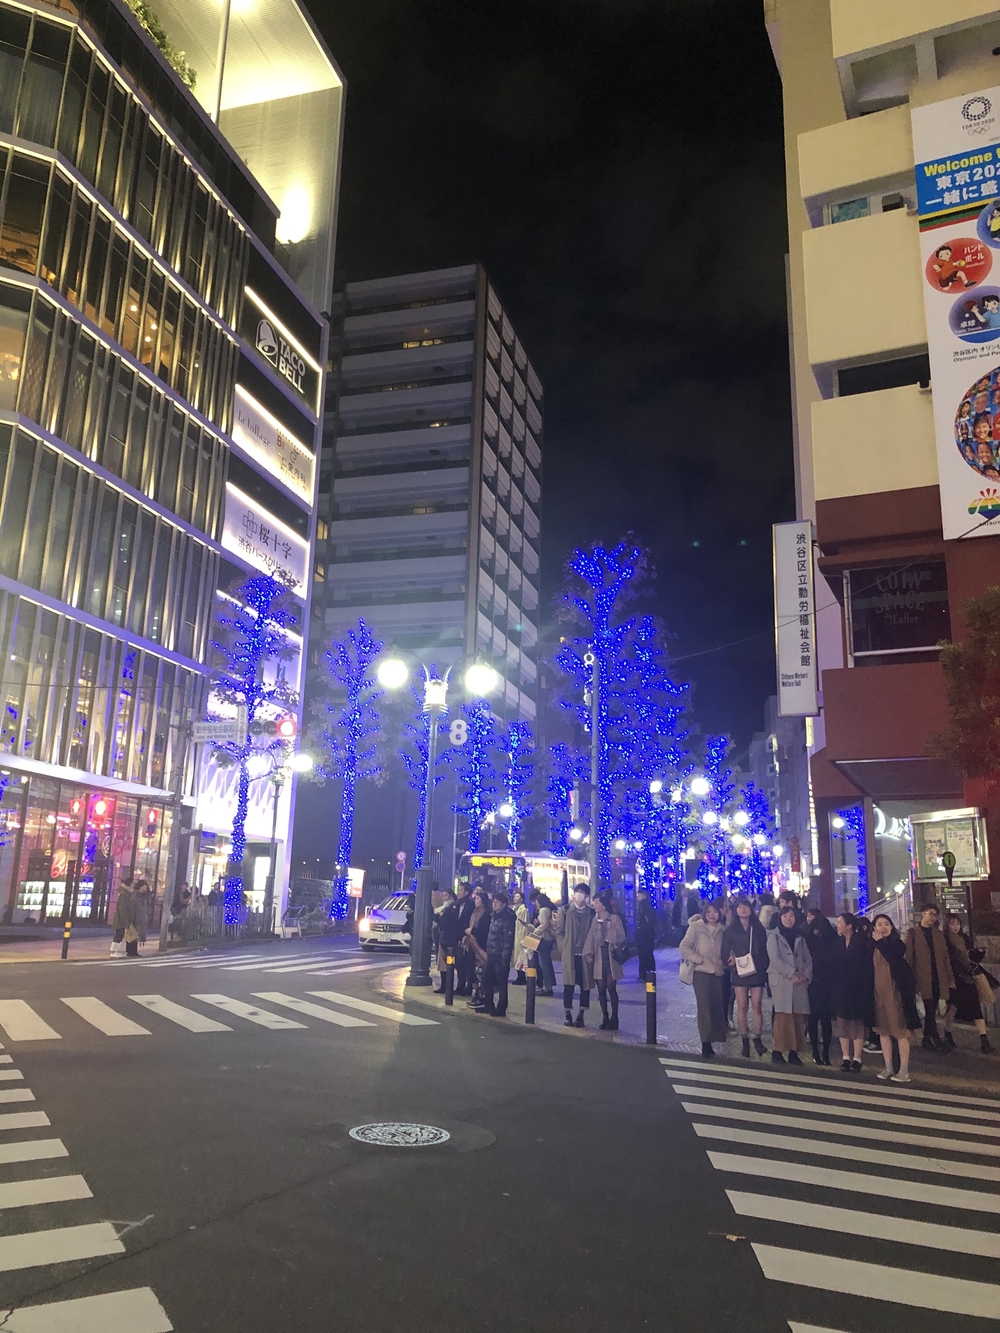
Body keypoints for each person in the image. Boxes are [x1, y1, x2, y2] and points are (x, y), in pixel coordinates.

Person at [871, 913, 921, 1083]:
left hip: (896, 994)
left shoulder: (897, 944)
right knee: (883, 1031)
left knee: (901, 1031)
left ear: (892, 927)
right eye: (879, 924)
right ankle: (888, 1067)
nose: (883, 927)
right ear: (874, 928)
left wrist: (880, 942)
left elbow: (894, 958)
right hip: (879, 994)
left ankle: (904, 1070)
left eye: (886, 924)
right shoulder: (871, 945)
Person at [722, 897, 769, 1058]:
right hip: (739, 971)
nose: (743, 909)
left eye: (746, 906)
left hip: (757, 970)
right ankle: (744, 1040)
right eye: (740, 907)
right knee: (742, 1005)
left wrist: (763, 967)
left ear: (751, 909)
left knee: (757, 1005)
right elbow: (724, 951)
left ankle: (757, 1038)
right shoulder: (730, 931)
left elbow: (764, 950)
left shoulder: (758, 929)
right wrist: (730, 961)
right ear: (736, 910)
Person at [904, 903, 955, 1051]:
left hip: (937, 976)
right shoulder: (912, 933)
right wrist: (910, 979)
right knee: (928, 1008)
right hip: (921, 978)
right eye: (930, 914)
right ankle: (934, 1038)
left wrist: (950, 978)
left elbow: (945, 958)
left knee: (931, 1010)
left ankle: (928, 1038)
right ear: (923, 913)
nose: (933, 917)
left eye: (935, 915)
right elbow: (909, 957)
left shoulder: (938, 934)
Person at [679, 900, 727, 1058]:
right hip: (701, 972)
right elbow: (684, 946)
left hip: (717, 972)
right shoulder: (696, 927)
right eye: (709, 912)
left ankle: (714, 1039)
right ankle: (705, 1042)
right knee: (704, 1007)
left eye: (715, 912)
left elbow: (726, 949)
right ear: (705, 913)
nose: (712, 915)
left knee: (716, 1007)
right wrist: (698, 959)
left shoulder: (722, 930)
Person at [766, 905, 812, 1065]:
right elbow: (775, 959)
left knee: (797, 1017)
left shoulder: (800, 937)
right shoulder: (773, 937)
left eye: (791, 916)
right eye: (785, 916)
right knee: (783, 1017)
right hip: (782, 982)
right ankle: (778, 1051)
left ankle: (794, 1051)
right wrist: (791, 973)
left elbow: (808, 958)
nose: (788, 919)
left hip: (798, 982)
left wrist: (806, 975)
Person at [943, 911, 993, 1054]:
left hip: (969, 978)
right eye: (952, 924)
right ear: (947, 925)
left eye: (957, 923)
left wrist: (979, 953)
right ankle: (947, 1033)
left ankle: (984, 1040)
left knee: (976, 1008)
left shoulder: (965, 938)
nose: (955, 927)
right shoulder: (945, 941)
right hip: (955, 979)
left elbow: (972, 958)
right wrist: (949, 979)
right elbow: (945, 961)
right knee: (953, 1007)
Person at [831, 912, 874, 1072]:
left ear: (849, 925)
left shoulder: (862, 942)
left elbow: (866, 967)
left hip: (858, 988)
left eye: (840, 922)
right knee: (842, 1022)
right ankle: (845, 1057)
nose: (837, 925)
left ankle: (857, 1058)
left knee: (856, 1023)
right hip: (840, 988)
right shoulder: (837, 942)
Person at [583, 891, 627, 1030]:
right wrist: (588, 953)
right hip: (599, 958)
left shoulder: (614, 919)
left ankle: (615, 1017)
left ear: (603, 905)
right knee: (601, 989)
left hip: (611, 958)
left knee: (611, 988)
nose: (595, 905)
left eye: (597, 903)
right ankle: (605, 1017)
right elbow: (590, 938)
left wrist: (608, 933)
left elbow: (621, 936)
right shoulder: (595, 920)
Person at [558, 884, 595, 1027]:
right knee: (568, 985)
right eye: (577, 892)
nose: (579, 894)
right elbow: (559, 930)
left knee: (585, 985)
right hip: (569, 954)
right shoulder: (566, 910)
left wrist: (590, 951)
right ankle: (567, 1014)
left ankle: (581, 1015)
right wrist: (563, 946)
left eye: (582, 892)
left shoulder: (591, 913)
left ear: (587, 896)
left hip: (585, 955)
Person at [803, 910, 836, 1065]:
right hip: (818, 983)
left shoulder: (811, 939)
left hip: (820, 983)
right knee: (820, 1019)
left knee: (819, 1019)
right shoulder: (829, 939)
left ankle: (821, 1052)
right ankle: (819, 1052)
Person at [476, 891, 516, 1017]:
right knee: (486, 980)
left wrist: (505, 958)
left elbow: (508, 940)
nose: (494, 904)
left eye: (497, 902)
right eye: (493, 902)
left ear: (504, 904)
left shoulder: (507, 918)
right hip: (491, 954)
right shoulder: (493, 915)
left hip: (500, 955)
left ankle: (501, 1007)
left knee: (501, 982)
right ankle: (488, 1004)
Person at [463, 888, 492, 1008]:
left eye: (478, 899)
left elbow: (483, 931)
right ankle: (476, 994)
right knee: (471, 971)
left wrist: (472, 931)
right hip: (471, 944)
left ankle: (481, 997)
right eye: (475, 899)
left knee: (480, 971)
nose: (476, 901)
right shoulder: (475, 912)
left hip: (480, 946)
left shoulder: (486, 914)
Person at [530, 889, 557, 995]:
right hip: (548, 938)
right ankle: (548, 985)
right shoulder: (549, 908)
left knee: (543, 963)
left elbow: (544, 924)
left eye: (536, 901)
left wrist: (535, 931)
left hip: (543, 938)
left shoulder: (543, 910)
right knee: (546, 963)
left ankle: (547, 987)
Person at [433, 888, 460, 994]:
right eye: (443, 895)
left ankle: (448, 987)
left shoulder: (453, 908)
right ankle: (444, 985)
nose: (444, 898)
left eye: (446, 895)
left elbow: (446, 923)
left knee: (449, 964)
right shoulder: (443, 908)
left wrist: (441, 916)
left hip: (449, 940)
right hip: (442, 938)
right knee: (442, 964)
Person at [454, 883, 477, 996]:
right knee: (459, 964)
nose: (459, 892)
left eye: (461, 890)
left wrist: (466, 934)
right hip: (457, 937)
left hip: (467, 938)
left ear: (467, 892)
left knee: (468, 964)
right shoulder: (456, 905)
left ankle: (469, 987)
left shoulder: (471, 906)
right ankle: (460, 985)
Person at [112, 878, 141, 958]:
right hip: (121, 920)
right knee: (119, 935)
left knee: (120, 935)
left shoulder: (127, 893)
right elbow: (123, 909)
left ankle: (114, 951)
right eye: (132, 883)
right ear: (129, 884)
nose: (133, 885)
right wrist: (125, 922)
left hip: (122, 919)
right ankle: (114, 951)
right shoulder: (124, 894)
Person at [635, 886, 658, 983]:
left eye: (639, 896)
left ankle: (646, 975)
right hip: (645, 934)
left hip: (645, 935)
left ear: (644, 896)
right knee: (646, 954)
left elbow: (649, 921)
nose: (638, 898)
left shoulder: (646, 907)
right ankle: (647, 974)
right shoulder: (644, 906)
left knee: (645, 954)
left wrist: (643, 929)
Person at [511, 890, 529, 985]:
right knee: (516, 957)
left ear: (522, 899)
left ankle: (522, 977)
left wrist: (523, 939)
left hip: (521, 936)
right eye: (515, 896)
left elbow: (525, 926)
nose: (515, 898)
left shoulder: (523, 910)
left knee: (521, 957)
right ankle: (519, 976)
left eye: (517, 896)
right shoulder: (515, 909)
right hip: (515, 935)